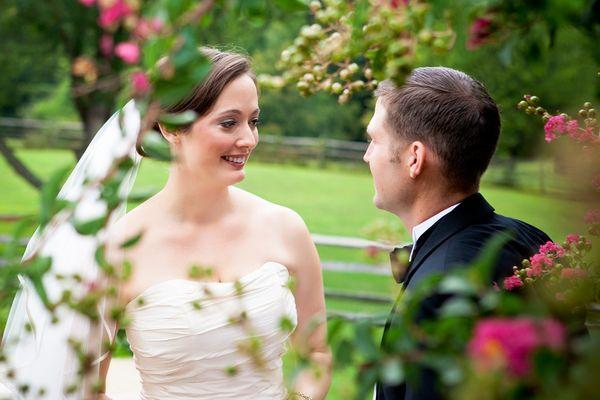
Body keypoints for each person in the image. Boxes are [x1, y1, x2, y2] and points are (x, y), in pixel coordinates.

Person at [2, 48, 331, 400]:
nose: (249, 139)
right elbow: (83, 388)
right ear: (170, 128)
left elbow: (318, 354)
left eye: (254, 121)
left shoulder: (286, 228)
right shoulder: (117, 247)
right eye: (229, 122)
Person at [363, 67, 551, 400]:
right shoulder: (534, 241)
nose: (367, 156)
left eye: (374, 141)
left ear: (414, 158)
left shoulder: (442, 292)